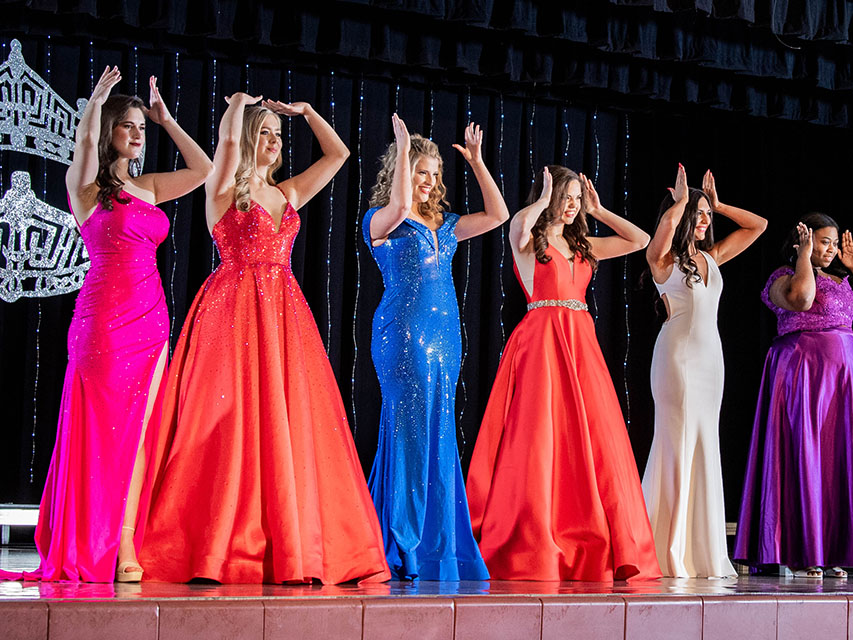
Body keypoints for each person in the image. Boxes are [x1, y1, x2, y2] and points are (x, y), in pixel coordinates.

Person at [138, 92, 389, 583]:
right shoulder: (223, 189)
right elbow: (228, 141)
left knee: (286, 421)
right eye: (266, 133)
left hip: (283, 315)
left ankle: (286, 540)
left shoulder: (288, 193)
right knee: (227, 421)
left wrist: (308, 114)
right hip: (232, 310)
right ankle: (221, 540)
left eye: (278, 135)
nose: (274, 142)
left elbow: (338, 155)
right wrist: (236, 107)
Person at [2, 67, 212, 583]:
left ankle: (124, 543)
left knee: (140, 435)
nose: (137, 134)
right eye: (129, 126)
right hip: (102, 324)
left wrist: (167, 121)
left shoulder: (150, 187)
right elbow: (80, 154)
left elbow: (204, 168)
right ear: (109, 132)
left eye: (142, 127)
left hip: (150, 323)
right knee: (101, 432)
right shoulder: (89, 190)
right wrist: (94, 104)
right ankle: (91, 536)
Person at [465, 165, 660, 581]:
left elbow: (639, 240)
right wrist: (541, 201)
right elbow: (517, 225)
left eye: (575, 198)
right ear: (550, 196)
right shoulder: (530, 238)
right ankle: (534, 537)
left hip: (581, 345)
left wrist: (600, 209)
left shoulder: (582, 245)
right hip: (541, 341)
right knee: (538, 438)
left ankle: (590, 534)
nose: (572, 205)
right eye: (566, 197)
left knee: (590, 440)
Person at [362, 114, 508, 580]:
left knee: (439, 432)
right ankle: (403, 542)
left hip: (446, 338)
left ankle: (437, 543)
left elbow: (499, 214)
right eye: (421, 171)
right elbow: (402, 203)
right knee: (409, 431)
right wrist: (404, 150)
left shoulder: (446, 225)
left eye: (434, 174)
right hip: (403, 335)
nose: (429, 181)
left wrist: (479, 164)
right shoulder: (383, 220)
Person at [734, 213, 853, 579]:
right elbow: (802, 300)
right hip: (803, 371)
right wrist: (804, 257)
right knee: (803, 455)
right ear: (803, 242)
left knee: (834, 460)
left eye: (834, 243)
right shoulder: (782, 277)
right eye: (824, 241)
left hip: (841, 380)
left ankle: (829, 548)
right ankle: (803, 553)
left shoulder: (842, 281)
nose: (832, 248)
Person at [641, 165, 766, 578]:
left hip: (712, 362)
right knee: (676, 445)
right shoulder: (664, 260)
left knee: (703, 446)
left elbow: (758, 226)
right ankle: (667, 549)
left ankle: (701, 551)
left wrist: (719, 203)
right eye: (699, 215)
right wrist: (680, 204)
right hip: (677, 361)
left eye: (706, 215)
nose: (705, 221)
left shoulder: (712, 258)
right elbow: (658, 240)